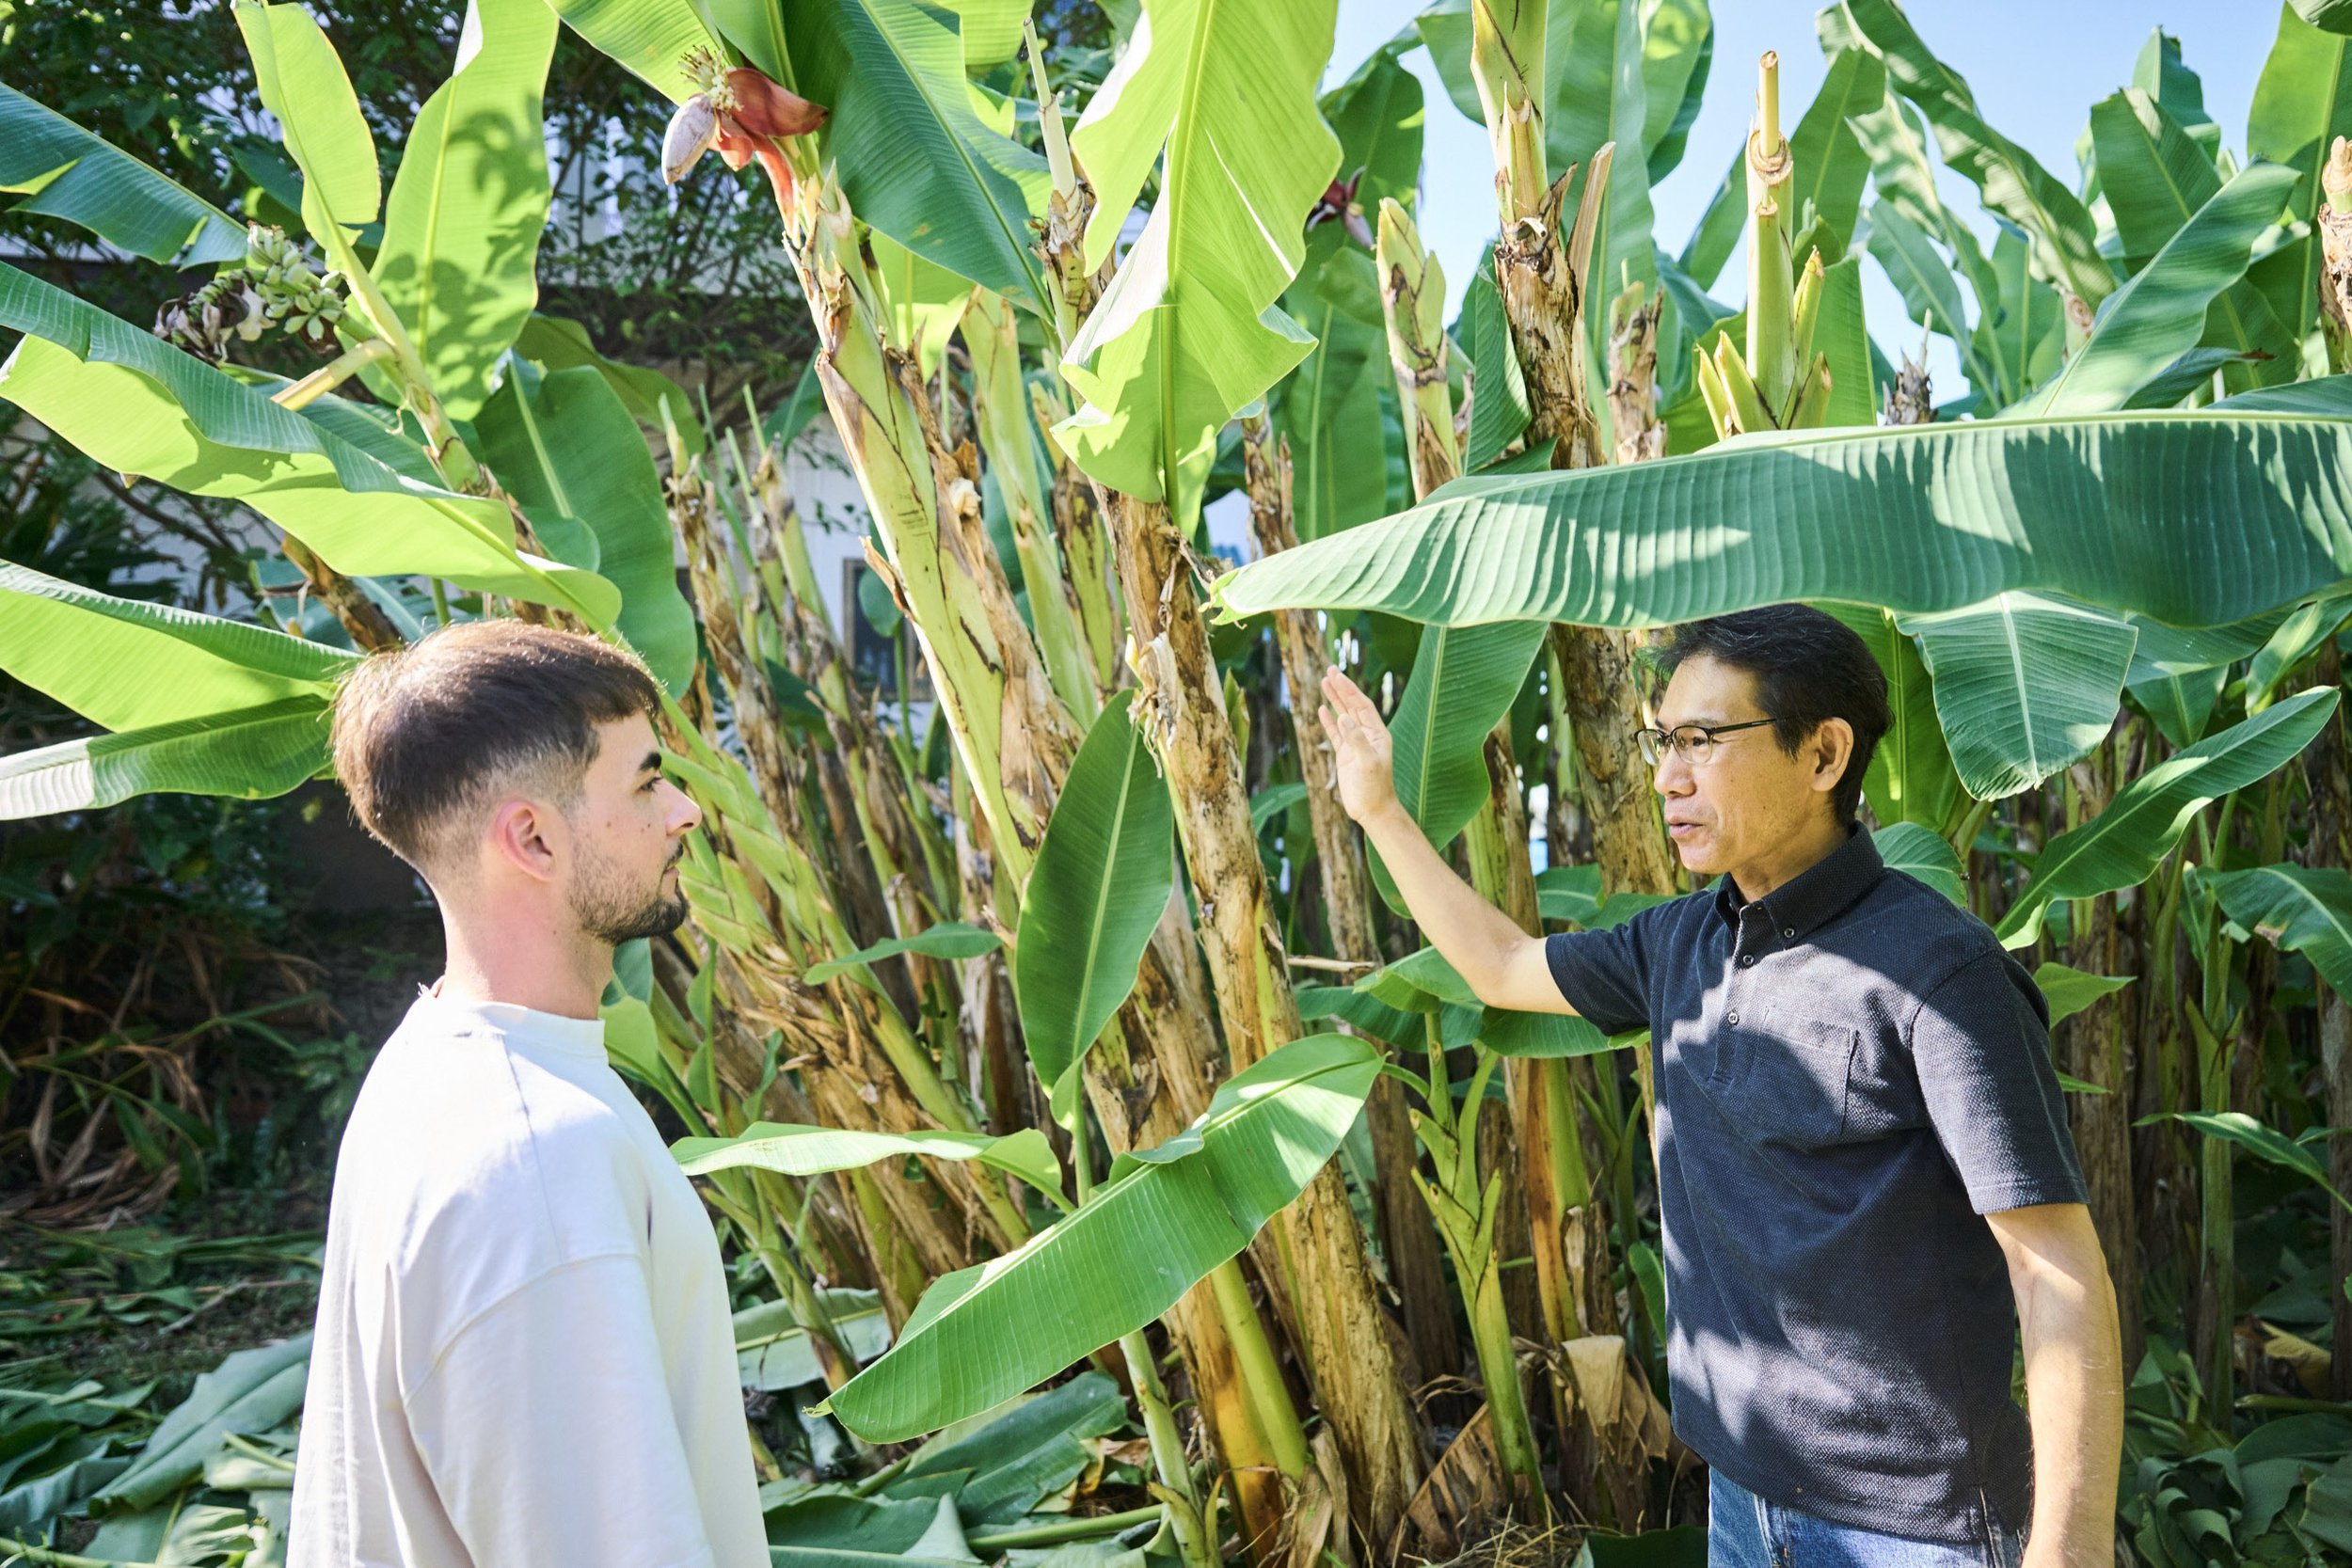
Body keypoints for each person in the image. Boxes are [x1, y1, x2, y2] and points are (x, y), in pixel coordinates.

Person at [1317, 605, 2123, 1568]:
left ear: (1823, 754)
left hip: (1912, 1527)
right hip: (1740, 1496)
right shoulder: (1680, 942)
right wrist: (1380, 809)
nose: (1668, 775)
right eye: (1664, 741)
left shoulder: (1940, 974)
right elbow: (1500, 964)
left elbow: (2056, 1271)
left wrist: (2068, 1551)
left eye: (1702, 739)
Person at [289, 620, 766, 1568]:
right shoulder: (536, 1159)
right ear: (534, 838)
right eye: (647, 782)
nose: (685, 812)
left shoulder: (438, 1060)